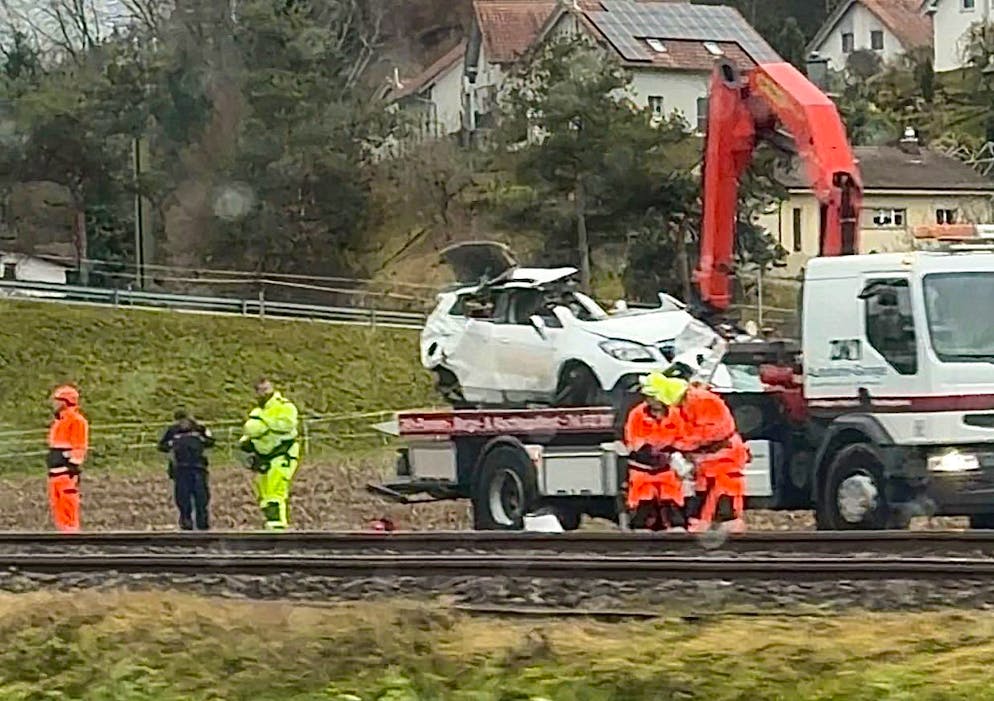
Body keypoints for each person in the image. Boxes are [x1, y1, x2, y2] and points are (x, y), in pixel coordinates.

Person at [650, 357, 750, 533]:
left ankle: (723, 537)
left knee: (724, 505)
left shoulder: (702, 401)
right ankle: (703, 534)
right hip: (707, 462)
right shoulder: (683, 404)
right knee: (704, 502)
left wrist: (679, 445)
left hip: (723, 459)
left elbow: (711, 433)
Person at [622, 374, 692, 531]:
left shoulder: (675, 414)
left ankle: (676, 526)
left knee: (671, 498)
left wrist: (673, 450)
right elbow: (632, 439)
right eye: (647, 396)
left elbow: (683, 437)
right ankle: (641, 527)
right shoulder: (637, 413)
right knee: (643, 500)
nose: (648, 399)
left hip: (666, 467)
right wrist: (649, 447)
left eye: (651, 396)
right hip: (642, 466)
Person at [238, 378, 301, 530]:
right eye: (260, 390)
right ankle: (271, 523)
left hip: (282, 454)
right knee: (264, 492)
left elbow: (287, 425)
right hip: (263, 457)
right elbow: (250, 430)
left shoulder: (284, 406)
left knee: (276, 490)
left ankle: (278, 525)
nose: (263, 393)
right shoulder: (257, 411)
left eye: (266, 389)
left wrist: (264, 422)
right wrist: (246, 443)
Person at [158, 409, 214, 530]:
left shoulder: (199, 429)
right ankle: (188, 521)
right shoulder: (173, 431)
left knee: (199, 497)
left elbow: (211, 442)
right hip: (183, 468)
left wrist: (201, 440)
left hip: (196, 467)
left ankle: (200, 522)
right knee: (185, 497)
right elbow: (161, 446)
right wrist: (171, 444)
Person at [46, 385, 88, 533]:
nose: (54, 403)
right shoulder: (59, 421)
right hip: (55, 472)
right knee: (58, 506)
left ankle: (71, 535)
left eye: (58, 400)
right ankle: (63, 533)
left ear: (66, 401)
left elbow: (79, 446)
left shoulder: (76, 420)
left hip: (66, 473)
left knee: (68, 505)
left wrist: (73, 467)